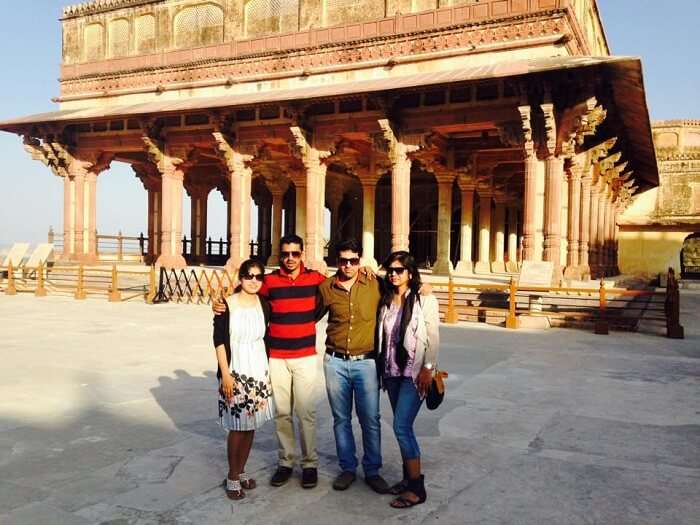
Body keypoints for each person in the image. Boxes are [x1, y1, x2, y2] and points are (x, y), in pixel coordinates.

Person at [214, 234, 326, 489]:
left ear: (302, 254)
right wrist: (219, 305)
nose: (289, 259)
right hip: (276, 357)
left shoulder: (315, 278)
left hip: (305, 355)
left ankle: (309, 464)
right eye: (285, 253)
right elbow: (245, 293)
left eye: (295, 254)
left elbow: (336, 290)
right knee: (282, 413)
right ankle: (286, 462)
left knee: (306, 413)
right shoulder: (270, 281)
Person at [315, 238, 389, 493]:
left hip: (366, 362)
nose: (348, 265)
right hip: (335, 361)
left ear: (360, 260)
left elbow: (404, 290)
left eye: (353, 261)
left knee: (370, 418)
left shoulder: (375, 284)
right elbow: (306, 315)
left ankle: (372, 470)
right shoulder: (327, 288)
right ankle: (348, 468)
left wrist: (424, 292)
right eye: (343, 261)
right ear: (336, 261)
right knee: (341, 419)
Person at [377, 250, 440, 509]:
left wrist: (428, 367)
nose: (393, 274)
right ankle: (407, 478)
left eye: (399, 270)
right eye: (390, 270)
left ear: (410, 273)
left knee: (402, 427)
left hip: (414, 374)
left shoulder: (424, 299)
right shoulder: (387, 299)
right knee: (403, 428)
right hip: (392, 371)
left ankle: (417, 488)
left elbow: (433, 336)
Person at [213, 259, 274, 500]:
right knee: (237, 427)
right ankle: (232, 475)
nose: (253, 280)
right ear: (240, 277)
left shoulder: (265, 304)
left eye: (258, 276)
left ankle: (241, 470)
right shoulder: (226, 305)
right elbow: (218, 340)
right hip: (236, 370)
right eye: (249, 275)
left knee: (251, 426)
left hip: (258, 370)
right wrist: (225, 374)